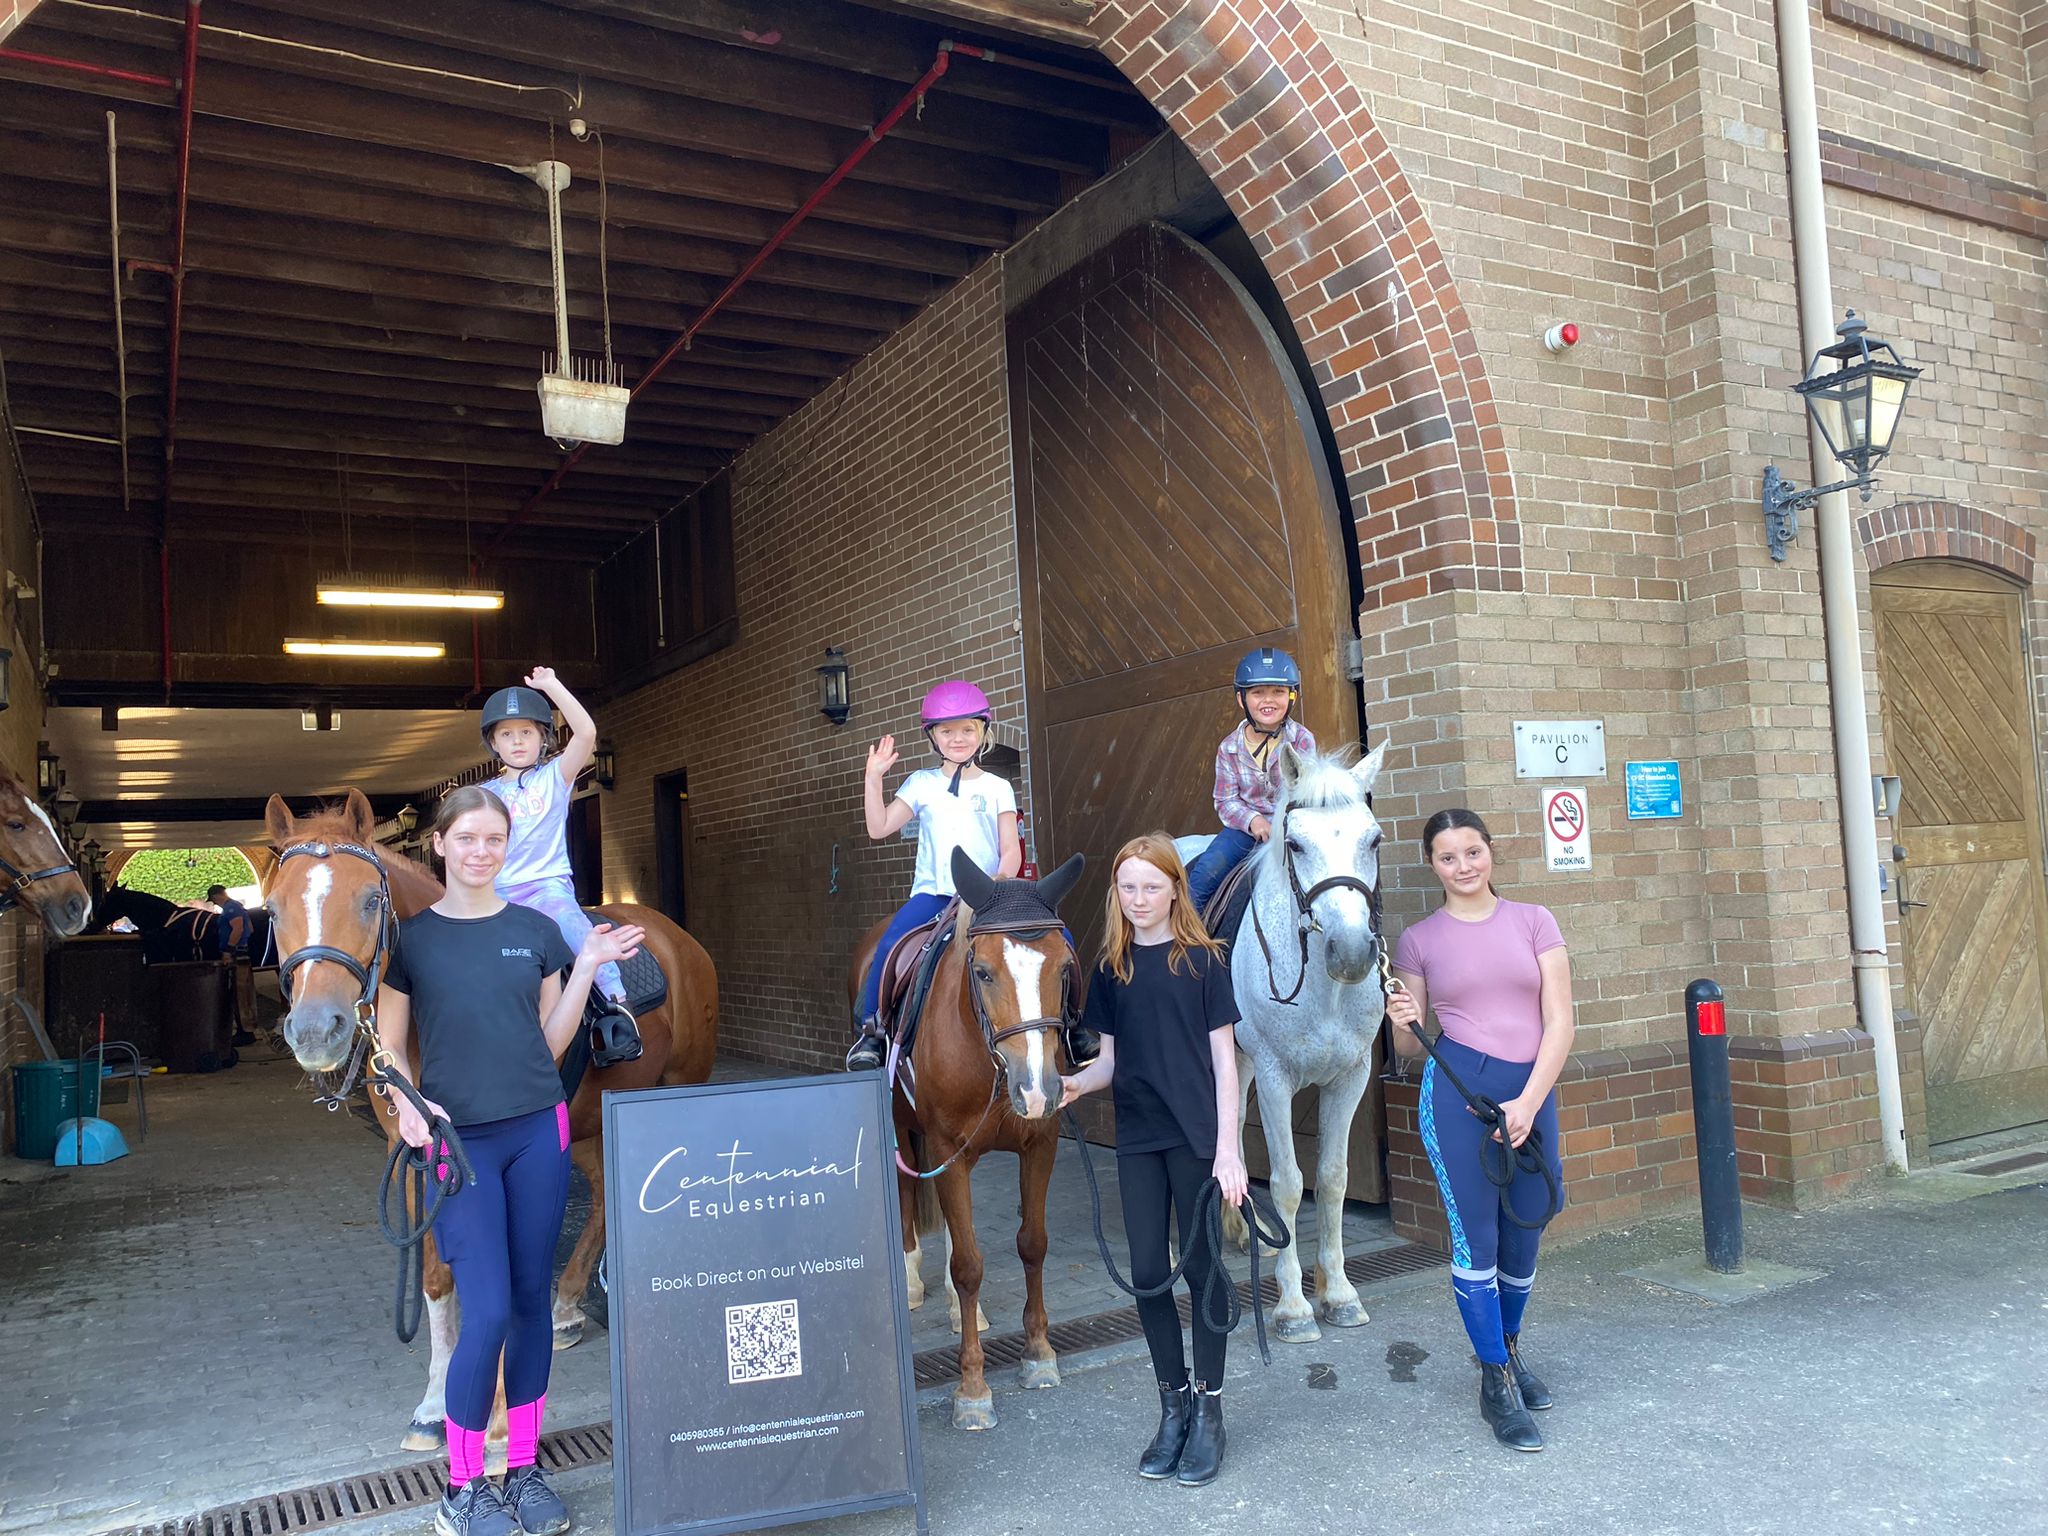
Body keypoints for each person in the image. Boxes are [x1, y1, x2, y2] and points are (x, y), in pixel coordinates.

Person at [376, 786, 644, 1536]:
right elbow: (390, 1050)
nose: (481, 851)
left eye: (494, 839)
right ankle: (462, 1489)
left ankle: (522, 1469)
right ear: (440, 844)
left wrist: (588, 960)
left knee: (530, 1307)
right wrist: (406, 1107)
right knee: (487, 1308)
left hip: (538, 1134)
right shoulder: (415, 943)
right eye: (467, 838)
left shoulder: (536, 932)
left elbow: (551, 1042)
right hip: (460, 1146)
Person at [1059, 833, 1247, 1486]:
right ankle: (1173, 1407)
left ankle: (1211, 1410)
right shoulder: (1112, 968)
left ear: (1175, 887)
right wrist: (1077, 1084)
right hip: (1138, 1137)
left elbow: (1225, 1060)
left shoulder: (1203, 961)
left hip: (1196, 1137)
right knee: (1146, 1274)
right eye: (1127, 887)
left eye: (1150, 885)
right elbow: (1109, 1059)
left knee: (1202, 1270)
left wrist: (1230, 1150)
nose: (1138, 898)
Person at [1385, 808, 1574, 1453]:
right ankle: (1494, 1378)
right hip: (1459, 1094)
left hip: (1531, 1093)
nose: (1463, 866)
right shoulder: (1418, 940)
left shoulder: (1534, 921)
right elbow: (1409, 1048)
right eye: (1447, 857)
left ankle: (1510, 1350)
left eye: (1472, 852)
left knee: (1527, 1222)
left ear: (1490, 852)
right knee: (1480, 1237)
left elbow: (1561, 1023)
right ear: (1432, 866)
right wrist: (1403, 1018)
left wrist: (1527, 1101)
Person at [846, 680, 1020, 1071]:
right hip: (935, 895)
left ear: (982, 732)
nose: (957, 738)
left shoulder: (998, 787)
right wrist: (873, 778)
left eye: (967, 729)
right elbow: (879, 827)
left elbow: (1011, 850)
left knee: (1055, 936)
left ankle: (1073, 1029)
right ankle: (871, 1032)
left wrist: (992, 885)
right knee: (891, 942)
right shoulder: (922, 784)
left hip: (989, 895)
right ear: (933, 736)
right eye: (947, 731)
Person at [478, 668, 643, 1068]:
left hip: (544, 889)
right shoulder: (484, 794)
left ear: (543, 738)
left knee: (575, 930)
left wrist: (552, 687)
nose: (517, 741)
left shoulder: (556, 777)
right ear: (493, 743)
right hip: (496, 893)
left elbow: (586, 734)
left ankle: (616, 1006)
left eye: (527, 733)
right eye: (506, 734)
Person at [1184, 648, 1318, 918]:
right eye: (1257, 693)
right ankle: (1188, 935)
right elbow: (1225, 800)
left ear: (1292, 696)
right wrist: (1254, 821)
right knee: (1205, 873)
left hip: (1291, 826)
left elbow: (1307, 792)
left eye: (1278, 692)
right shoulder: (1229, 748)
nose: (1268, 701)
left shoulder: (1302, 740)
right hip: (1244, 831)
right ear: (1241, 698)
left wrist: (1284, 821)